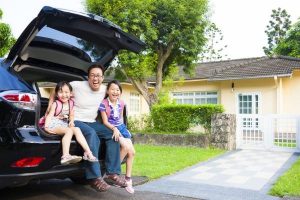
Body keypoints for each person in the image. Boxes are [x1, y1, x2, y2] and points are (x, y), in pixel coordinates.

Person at [47, 65, 126, 192]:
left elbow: (116, 96)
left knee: (112, 134)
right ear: (88, 77)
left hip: (92, 121)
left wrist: (117, 122)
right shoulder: (76, 85)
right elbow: (55, 90)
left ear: (102, 78)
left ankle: (112, 173)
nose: (96, 78)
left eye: (98, 76)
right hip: (75, 120)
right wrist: (49, 108)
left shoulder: (106, 89)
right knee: (91, 133)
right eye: (93, 75)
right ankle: (95, 177)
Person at [44, 81, 98, 165]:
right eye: (61, 92)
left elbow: (72, 115)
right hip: (53, 124)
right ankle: (65, 156)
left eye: (66, 92)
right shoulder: (56, 104)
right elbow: (49, 116)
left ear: (70, 93)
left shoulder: (71, 103)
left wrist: (72, 121)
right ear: (57, 94)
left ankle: (88, 153)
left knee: (77, 129)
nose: (64, 94)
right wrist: (46, 127)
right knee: (69, 131)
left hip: (63, 124)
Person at [99, 80, 136, 194]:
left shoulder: (122, 103)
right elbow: (105, 121)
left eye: (117, 90)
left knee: (132, 153)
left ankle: (128, 179)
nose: (115, 92)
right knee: (125, 147)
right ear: (108, 91)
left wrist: (123, 130)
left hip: (121, 127)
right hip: (110, 127)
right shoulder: (103, 103)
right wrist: (114, 129)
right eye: (113, 89)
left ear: (120, 92)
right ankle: (112, 172)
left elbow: (120, 119)